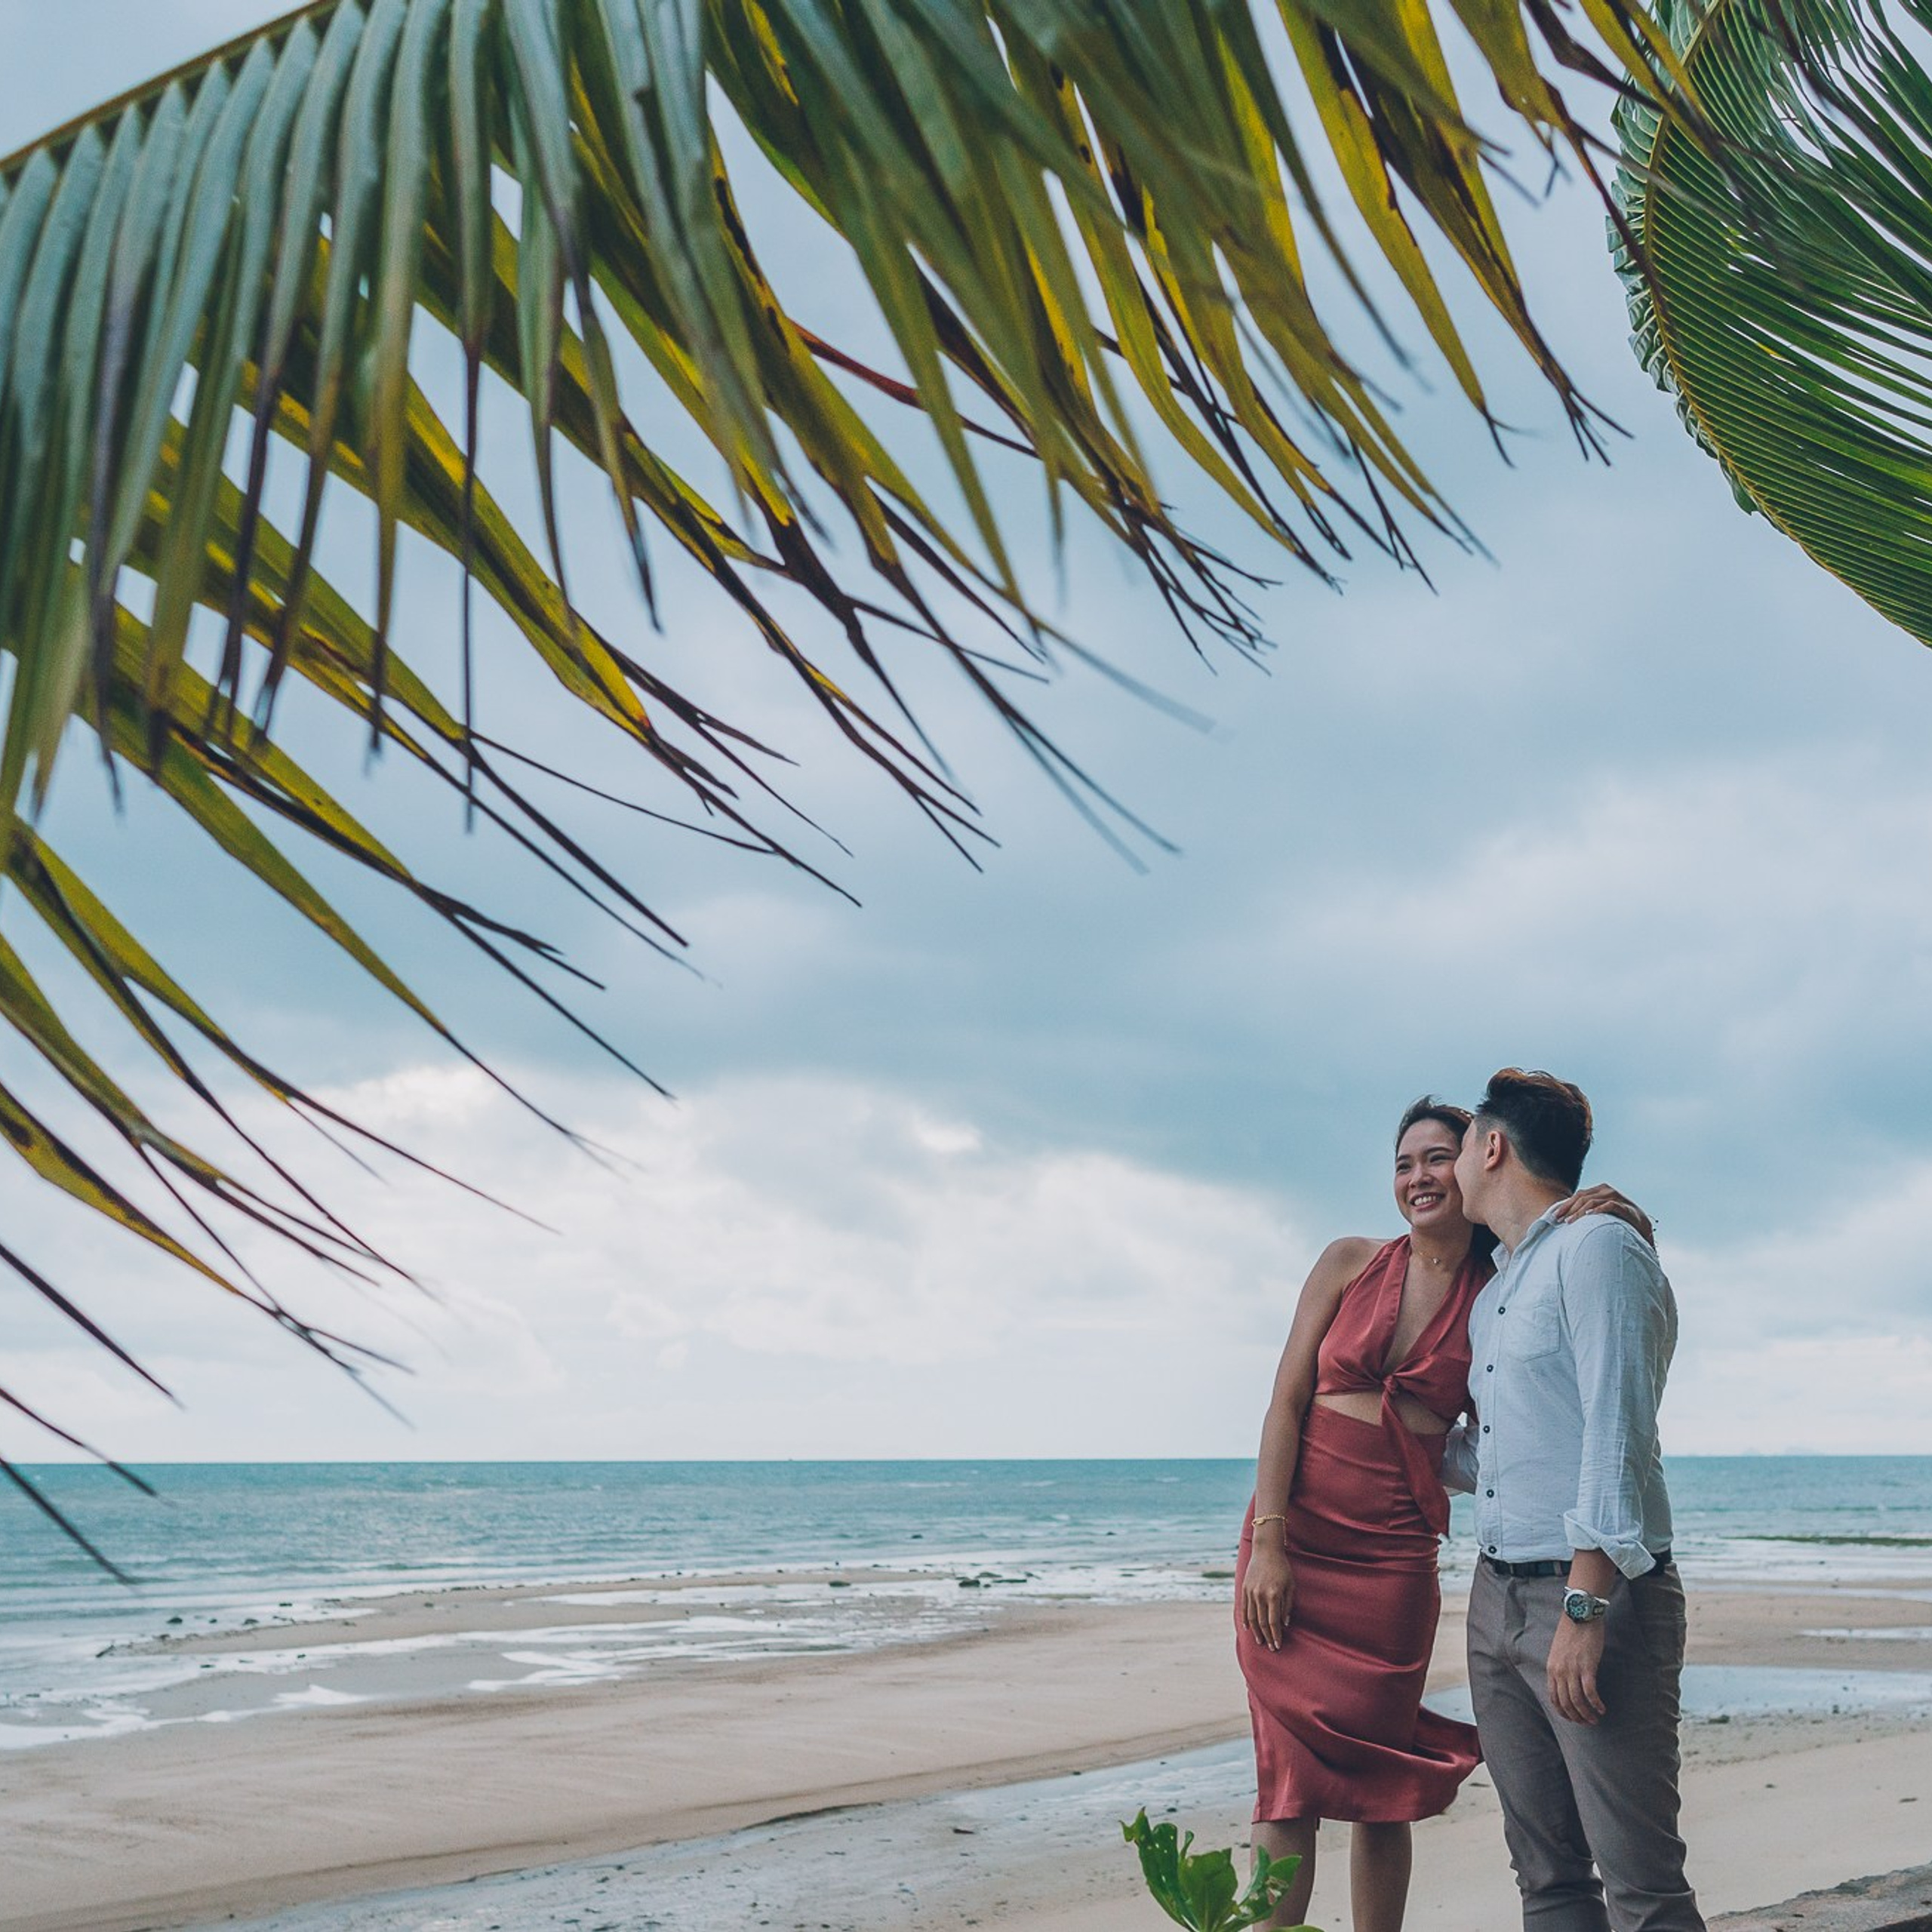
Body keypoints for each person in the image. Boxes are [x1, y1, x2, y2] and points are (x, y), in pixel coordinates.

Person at [1235, 1099, 1651, 1932]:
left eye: (1436, 1159)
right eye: (1403, 1163)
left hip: (1392, 1558)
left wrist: (1617, 1215)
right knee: (1285, 1774)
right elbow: (1285, 1402)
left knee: (1379, 1784)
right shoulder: (1347, 1261)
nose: (1419, 1177)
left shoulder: (1499, 1293)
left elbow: (1531, 1411)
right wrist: (1268, 1542)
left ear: (1472, 1167)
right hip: (1295, 1544)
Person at [1446, 1069, 1701, 1932]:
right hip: (1497, 1599)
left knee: (1641, 1885)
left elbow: (1615, 1430)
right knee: (1547, 1878)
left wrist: (1586, 1606)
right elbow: (1503, 1453)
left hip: (1591, 1595)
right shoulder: (1497, 1292)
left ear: (1491, 1146)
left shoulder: (1599, 1250)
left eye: (1457, 1147)